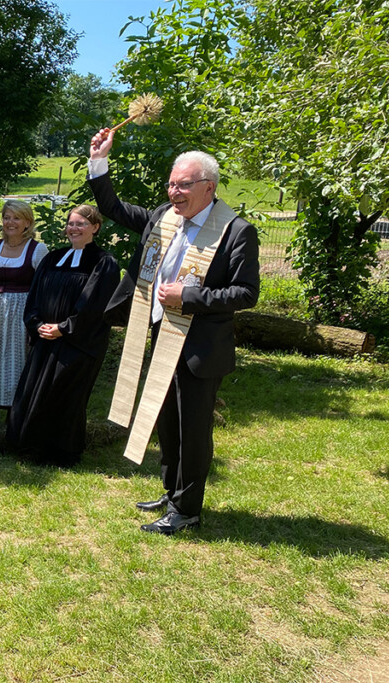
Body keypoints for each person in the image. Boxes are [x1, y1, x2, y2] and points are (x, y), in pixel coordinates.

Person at [88, 127, 260, 534]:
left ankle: (188, 510)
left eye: (183, 185)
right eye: (171, 184)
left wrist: (191, 296)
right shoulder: (163, 219)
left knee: (193, 429)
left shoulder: (236, 231)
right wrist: (99, 159)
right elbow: (111, 207)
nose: (174, 192)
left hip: (200, 347)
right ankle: (171, 492)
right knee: (166, 421)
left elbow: (246, 292)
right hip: (161, 335)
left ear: (208, 187)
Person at [6, 204, 120, 466]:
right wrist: (37, 325)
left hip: (78, 343)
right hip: (45, 338)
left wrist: (64, 328)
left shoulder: (103, 263)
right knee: (35, 390)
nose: (74, 228)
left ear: (95, 227)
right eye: (71, 223)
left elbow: (94, 306)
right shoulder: (53, 258)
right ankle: (31, 447)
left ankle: (62, 453)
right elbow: (34, 295)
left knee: (65, 394)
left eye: (81, 224)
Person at [0, 199, 49, 422]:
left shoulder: (37, 249)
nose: (10, 222)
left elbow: (43, 289)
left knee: (15, 364)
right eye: (7, 217)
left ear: (27, 222)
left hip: (20, 317)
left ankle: (16, 419)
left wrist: (37, 322)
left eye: (16, 218)